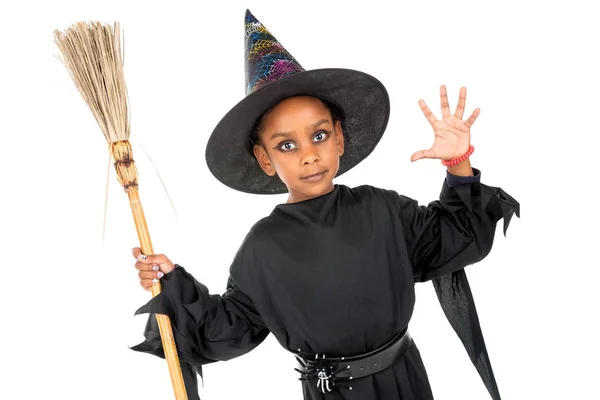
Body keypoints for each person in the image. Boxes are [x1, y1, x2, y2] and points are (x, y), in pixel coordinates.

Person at [130, 9, 519, 400]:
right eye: (286, 145)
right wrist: (171, 282)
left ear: (339, 139)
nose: (308, 155)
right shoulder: (264, 247)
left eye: (318, 135)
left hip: (406, 382)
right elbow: (229, 326)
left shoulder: (382, 210)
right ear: (265, 159)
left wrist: (458, 163)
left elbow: (457, 238)